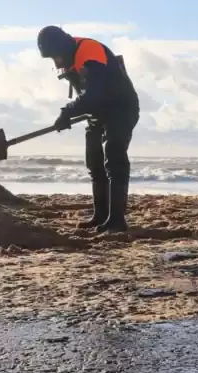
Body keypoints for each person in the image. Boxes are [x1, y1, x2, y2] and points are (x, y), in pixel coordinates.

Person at [37, 25, 140, 232]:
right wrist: (69, 114)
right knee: (94, 162)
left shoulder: (89, 51)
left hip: (121, 109)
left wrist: (67, 112)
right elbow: (89, 100)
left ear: (63, 47)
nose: (56, 62)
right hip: (97, 114)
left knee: (114, 156)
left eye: (55, 56)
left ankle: (117, 220)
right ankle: (100, 216)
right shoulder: (70, 59)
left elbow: (96, 94)